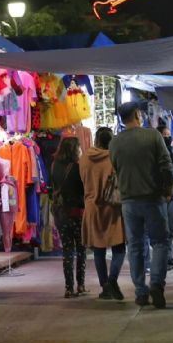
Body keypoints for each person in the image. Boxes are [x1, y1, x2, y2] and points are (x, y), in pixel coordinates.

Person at [110, 102, 173, 308]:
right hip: (153, 198)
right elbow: (166, 165)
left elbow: (116, 169)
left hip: (129, 201)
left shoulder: (115, 142)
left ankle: (140, 291)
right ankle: (156, 284)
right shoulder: (153, 136)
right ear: (138, 115)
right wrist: (168, 189)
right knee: (160, 242)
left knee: (135, 246)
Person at [79, 127, 126, 301]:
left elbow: (82, 181)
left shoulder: (84, 158)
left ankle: (105, 286)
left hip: (92, 207)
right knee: (119, 247)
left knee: (98, 249)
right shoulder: (114, 157)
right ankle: (112, 279)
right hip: (112, 208)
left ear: (96, 139)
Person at [145, 125, 173, 272]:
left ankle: (169, 258)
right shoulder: (152, 154)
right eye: (165, 135)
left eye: (169, 135)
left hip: (172, 195)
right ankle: (159, 261)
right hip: (158, 197)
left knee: (171, 230)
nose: (167, 137)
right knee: (160, 230)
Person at [51, 137, 86, 298]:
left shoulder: (54, 166)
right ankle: (81, 285)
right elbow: (82, 190)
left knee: (67, 250)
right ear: (74, 149)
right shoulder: (78, 168)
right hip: (77, 212)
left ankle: (68, 287)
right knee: (80, 248)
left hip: (61, 212)